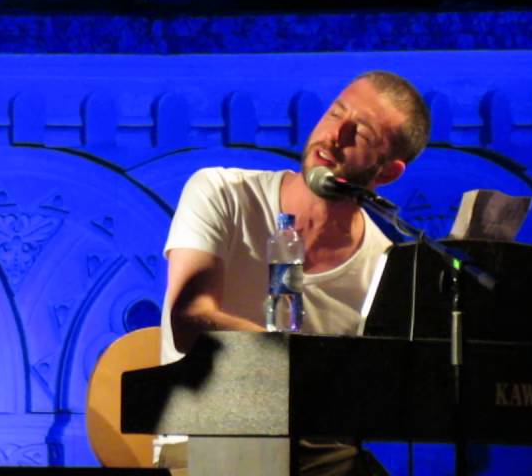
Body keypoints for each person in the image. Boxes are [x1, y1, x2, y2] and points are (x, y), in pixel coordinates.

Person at [159, 70, 430, 476]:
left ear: (387, 172)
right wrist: (301, 361)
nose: (336, 134)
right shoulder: (221, 192)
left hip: (311, 455)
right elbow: (190, 320)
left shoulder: (384, 264)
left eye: (361, 134)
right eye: (336, 113)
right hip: (206, 443)